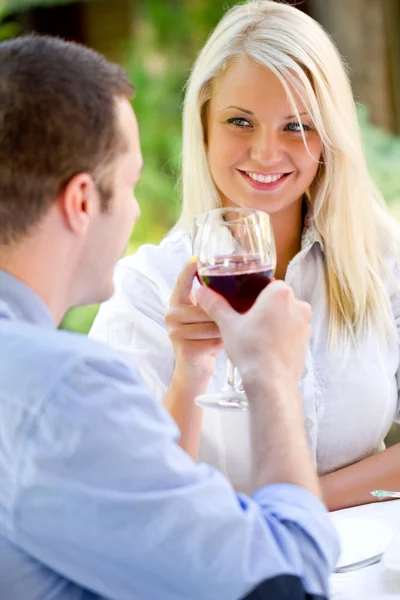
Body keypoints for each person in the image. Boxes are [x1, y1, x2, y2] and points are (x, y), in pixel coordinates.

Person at [0, 34, 338, 600]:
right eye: (130, 183)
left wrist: (193, 367)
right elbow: (292, 583)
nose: (135, 209)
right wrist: (272, 375)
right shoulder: (60, 391)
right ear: (83, 201)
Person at [91, 0, 400, 510]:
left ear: (328, 137)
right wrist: (191, 373)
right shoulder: (147, 290)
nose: (265, 153)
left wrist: (292, 509)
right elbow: (129, 493)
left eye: (297, 126)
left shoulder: (380, 262)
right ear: (205, 125)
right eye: (240, 121)